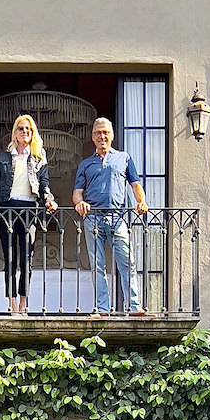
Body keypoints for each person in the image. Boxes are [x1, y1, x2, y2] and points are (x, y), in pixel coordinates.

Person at [0, 115, 58, 315]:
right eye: (21, 128)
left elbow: (44, 186)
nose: (25, 132)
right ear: (15, 133)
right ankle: (12, 304)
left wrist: (49, 200)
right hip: (7, 209)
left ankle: (24, 304)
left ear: (32, 133)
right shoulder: (3, 157)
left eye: (28, 129)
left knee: (26, 259)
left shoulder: (38, 157)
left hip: (29, 210)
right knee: (10, 258)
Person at [72, 117, 148, 316]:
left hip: (118, 218)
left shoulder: (124, 158)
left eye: (105, 132)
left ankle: (135, 307)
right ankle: (102, 309)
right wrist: (80, 202)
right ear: (92, 137)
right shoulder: (85, 164)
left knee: (127, 263)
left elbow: (135, 184)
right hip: (92, 220)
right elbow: (77, 192)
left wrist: (141, 201)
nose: (102, 136)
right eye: (98, 133)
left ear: (112, 135)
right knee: (97, 266)